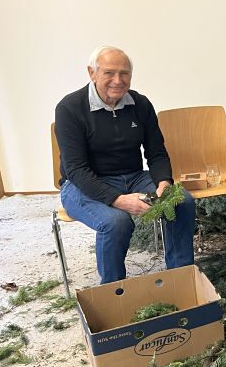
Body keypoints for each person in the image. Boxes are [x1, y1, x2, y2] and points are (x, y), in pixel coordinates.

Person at [55, 46, 196, 283]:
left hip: (133, 176)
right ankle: (114, 291)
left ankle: (182, 278)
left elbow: (156, 153)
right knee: (116, 222)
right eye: (109, 73)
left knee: (181, 201)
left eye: (124, 73)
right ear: (92, 73)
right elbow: (76, 170)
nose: (118, 80)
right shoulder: (69, 108)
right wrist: (118, 200)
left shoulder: (140, 104)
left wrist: (164, 182)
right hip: (81, 184)